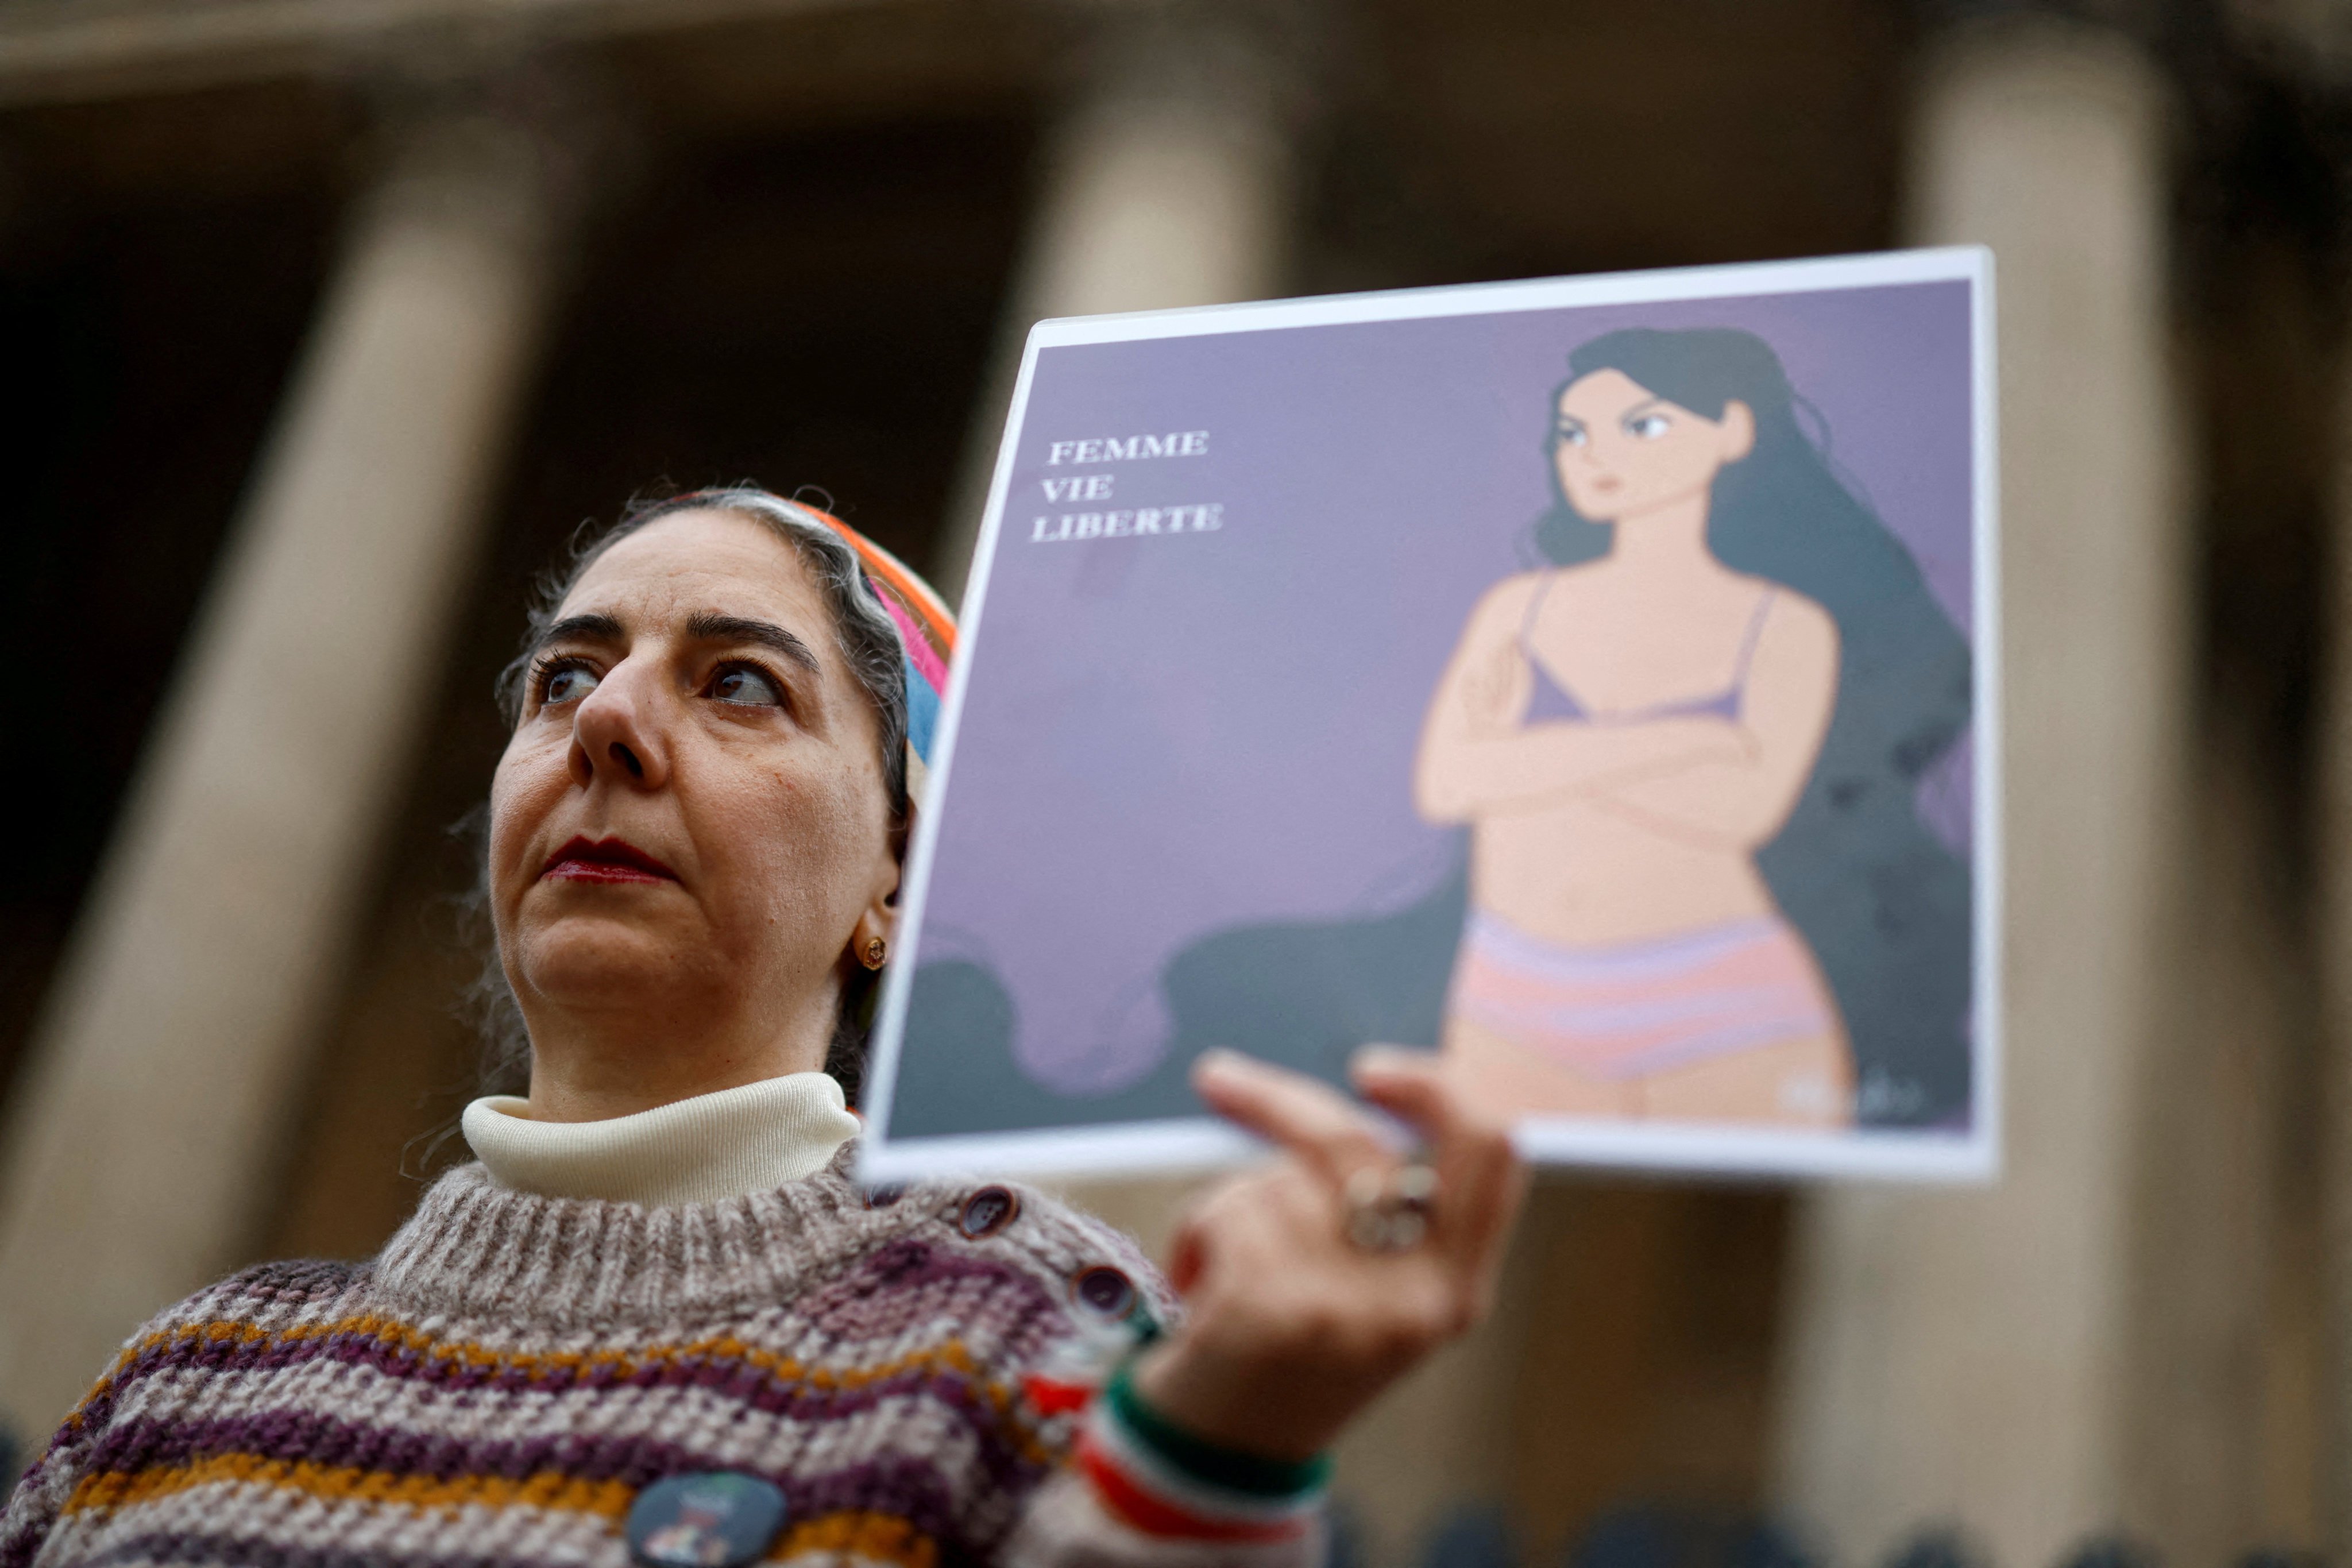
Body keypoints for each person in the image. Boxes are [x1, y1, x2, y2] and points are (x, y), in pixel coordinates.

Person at [1, 486, 1525, 1568]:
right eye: (566, 678)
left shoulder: (1037, 1331)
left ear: (897, 877)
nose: (603, 724)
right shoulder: (177, 1389)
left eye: (737, 683)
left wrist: (1212, 1467)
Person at [1416, 327, 1971, 1128]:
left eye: (1641, 426)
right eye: (1573, 434)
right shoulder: (1520, 609)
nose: (1596, 455)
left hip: (1722, 1001)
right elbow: (1450, 781)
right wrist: (1686, 740)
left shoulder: (1782, 627)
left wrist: (1527, 758)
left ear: (1733, 432)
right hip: (1512, 993)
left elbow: (1741, 809)